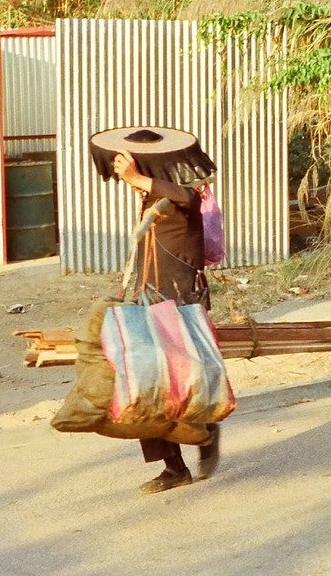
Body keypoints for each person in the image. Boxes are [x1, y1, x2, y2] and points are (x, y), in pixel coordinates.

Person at [112, 148, 222, 492]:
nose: (135, 185)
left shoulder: (183, 199)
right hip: (149, 305)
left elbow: (184, 195)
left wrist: (137, 178)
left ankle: (207, 439)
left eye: (142, 176)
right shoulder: (150, 203)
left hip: (182, 308)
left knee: (190, 386)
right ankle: (174, 468)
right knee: (148, 387)